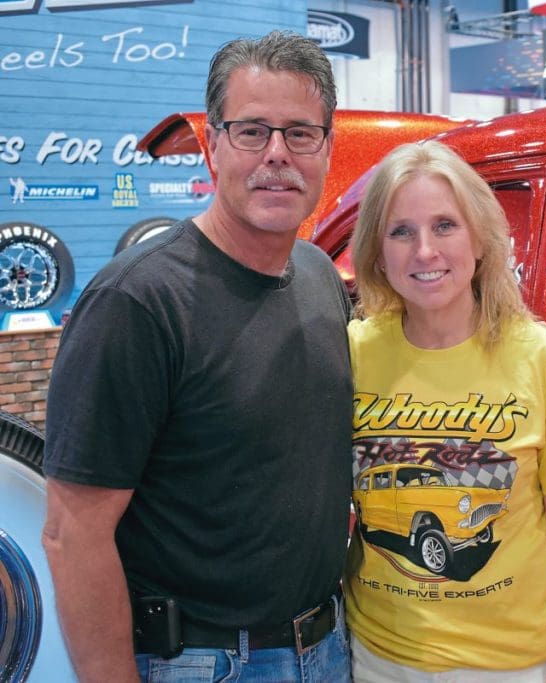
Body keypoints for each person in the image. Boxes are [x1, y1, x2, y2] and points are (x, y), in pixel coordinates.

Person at [42, 31, 353, 683]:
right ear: (213, 146)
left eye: (300, 133)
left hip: (327, 645)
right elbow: (73, 534)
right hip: (201, 662)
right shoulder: (136, 301)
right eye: (251, 131)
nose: (277, 155)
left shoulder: (321, 275)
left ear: (327, 149)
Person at [345, 140, 546, 682]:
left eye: (445, 225)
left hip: (511, 666)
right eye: (401, 231)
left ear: (482, 241)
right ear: (376, 254)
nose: (424, 251)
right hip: (373, 657)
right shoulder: (351, 352)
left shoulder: (545, 359)